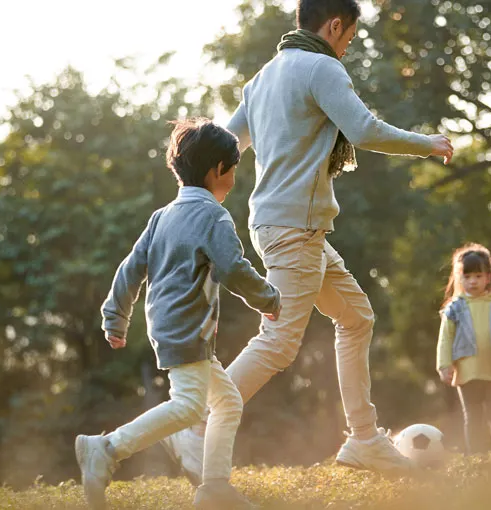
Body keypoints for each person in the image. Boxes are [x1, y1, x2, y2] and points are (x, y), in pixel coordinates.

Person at [162, 0, 455, 481]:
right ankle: (194, 428)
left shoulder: (263, 78)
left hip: (284, 225)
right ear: (335, 24)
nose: (348, 48)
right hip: (294, 227)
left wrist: (187, 182)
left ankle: (363, 439)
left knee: (357, 317)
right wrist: (427, 142)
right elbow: (362, 130)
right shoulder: (322, 67)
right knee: (277, 343)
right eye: (350, 38)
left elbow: (227, 144)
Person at [75, 119, 282, 510]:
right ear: (217, 170)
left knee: (227, 401)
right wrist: (269, 299)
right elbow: (234, 269)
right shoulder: (213, 216)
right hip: (188, 326)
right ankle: (107, 448)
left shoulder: (162, 216)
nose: (235, 178)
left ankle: (215, 486)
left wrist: (114, 317)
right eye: (234, 170)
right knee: (188, 406)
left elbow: (130, 268)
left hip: (170, 325)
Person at [436, 244, 491, 453]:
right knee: (473, 417)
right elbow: (445, 337)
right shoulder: (455, 307)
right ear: (460, 278)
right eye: (467, 276)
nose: (472, 281)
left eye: (478, 275)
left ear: (488, 277)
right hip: (467, 371)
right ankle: (478, 458)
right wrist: (444, 365)